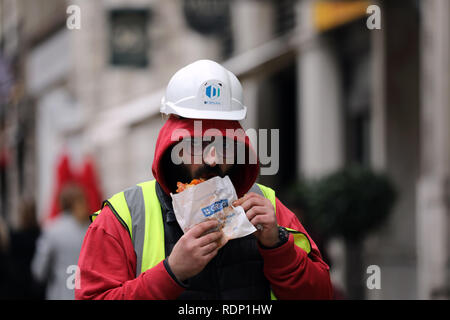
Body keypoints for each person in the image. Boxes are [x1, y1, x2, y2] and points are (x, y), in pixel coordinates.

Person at [76, 60, 333, 300]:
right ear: (171, 146)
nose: (212, 158)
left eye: (224, 144)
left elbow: (321, 294)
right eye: (198, 144)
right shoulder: (124, 216)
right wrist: (171, 273)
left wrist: (277, 245)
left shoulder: (267, 205)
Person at [32, 183, 90, 299]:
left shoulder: (52, 229)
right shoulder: (92, 228)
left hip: (60, 294)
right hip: (88, 294)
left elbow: (39, 271)